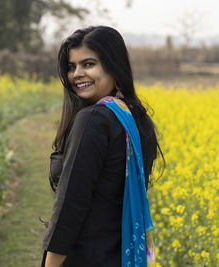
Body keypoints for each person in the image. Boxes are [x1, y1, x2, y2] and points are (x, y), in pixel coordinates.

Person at [41, 26, 164, 267]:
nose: (77, 74)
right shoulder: (135, 118)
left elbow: (69, 207)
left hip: (85, 257)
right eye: (71, 66)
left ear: (113, 66)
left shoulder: (94, 120)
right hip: (119, 256)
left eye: (88, 64)